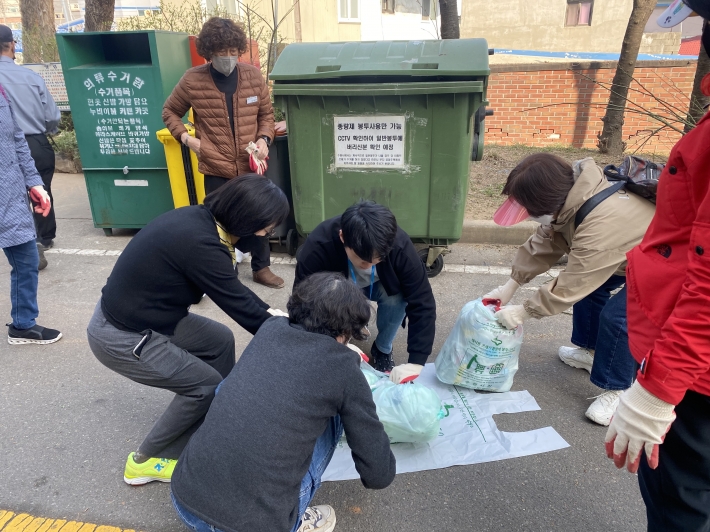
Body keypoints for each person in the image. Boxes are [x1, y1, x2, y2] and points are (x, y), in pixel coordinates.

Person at [86, 175, 289, 485]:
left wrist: (277, 317)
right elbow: (241, 306)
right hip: (121, 335)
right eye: (266, 228)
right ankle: (145, 461)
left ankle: (212, 421)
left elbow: (237, 292)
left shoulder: (202, 220)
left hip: (152, 316)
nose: (267, 235)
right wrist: (299, 338)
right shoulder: (202, 243)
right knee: (204, 386)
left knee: (219, 340)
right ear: (245, 221)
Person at [170, 272, 396, 532]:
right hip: (252, 527)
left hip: (184, 498)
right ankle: (296, 519)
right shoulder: (344, 368)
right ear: (347, 331)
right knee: (336, 414)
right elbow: (379, 476)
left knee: (242, 390)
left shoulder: (271, 328)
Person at [604, 2, 710, 529]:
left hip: (694, 373)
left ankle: (604, 377)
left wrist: (656, 390)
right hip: (690, 355)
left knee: (680, 508)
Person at [485, 154, 655, 425]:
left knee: (619, 317)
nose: (529, 216)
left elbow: (575, 280)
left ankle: (621, 388)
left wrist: (524, 312)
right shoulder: (570, 200)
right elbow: (544, 241)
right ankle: (591, 351)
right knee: (591, 292)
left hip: (668, 260)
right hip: (623, 254)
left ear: (546, 202)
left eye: (530, 210)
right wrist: (510, 285)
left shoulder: (602, 222)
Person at [162, 17, 283, 289]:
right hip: (215, 164)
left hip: (251, 163)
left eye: (232, 52)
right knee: (216, 220)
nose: (228, 58)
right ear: (208, 51)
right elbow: (169, 111)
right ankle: (221, 268)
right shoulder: (192, 79)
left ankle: (261, 267)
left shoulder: (252, 76)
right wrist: (186, 138)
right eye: (221, 52)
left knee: (261, 214)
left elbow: (266, 114)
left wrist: (264, 138)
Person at [294, 201, 436, 384]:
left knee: (398, 298)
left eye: (377, 260)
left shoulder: (398, 245)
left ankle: (382, 349)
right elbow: (303, 303)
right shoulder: (319, 245)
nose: (368, 265)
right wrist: (331, 345)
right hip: (338, 287)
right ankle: (345, 335)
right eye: (362, 260)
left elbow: (422, 301)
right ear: (342, 237)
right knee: (327, 302)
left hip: (380, 286)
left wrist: (417, 361)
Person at [1, 81, 61, 345]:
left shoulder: (2, 92)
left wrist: (34, 182)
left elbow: (17, 139)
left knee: (26, 261)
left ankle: (23, 324)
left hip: (11, 195)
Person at [0, 24, 61, 271]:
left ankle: (24, 239)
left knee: (10, 195)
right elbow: (52, 117)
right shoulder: (31, 77)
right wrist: (49, 130)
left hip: (5, 145)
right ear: (13, 45)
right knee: (41, 190)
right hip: (36, 141)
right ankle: (43, 238)